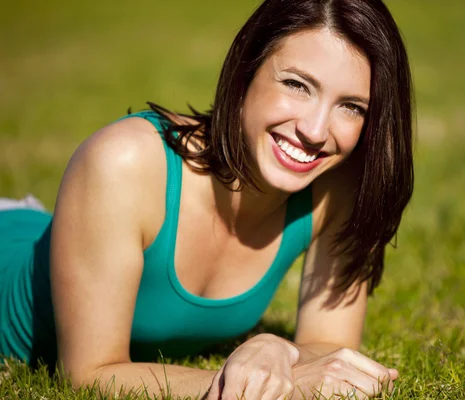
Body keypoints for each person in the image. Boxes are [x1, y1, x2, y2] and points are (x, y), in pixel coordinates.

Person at [0, 0, 414, 398]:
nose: (316, 130)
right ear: (245, 71)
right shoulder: (123, 162)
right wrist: (242, 382)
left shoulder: (336, 185)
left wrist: (275, 348)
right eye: (296, 84)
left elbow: (330, 344)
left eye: (352, 107)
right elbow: (88, 375)